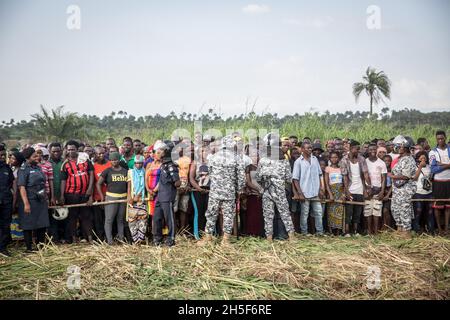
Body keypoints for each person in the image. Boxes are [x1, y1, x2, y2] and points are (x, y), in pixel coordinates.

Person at [197, 135, 245, 246]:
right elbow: (241, 178)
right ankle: (226, 240)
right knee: (228, 215)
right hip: (229, 192)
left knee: (211, 213)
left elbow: (210, 173)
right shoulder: (237, 158)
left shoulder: (213, 157)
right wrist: (237, 191)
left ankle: (208, 238)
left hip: (215, 191)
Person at [256, 133, 295, 241]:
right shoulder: (284, 161)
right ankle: (291, 237)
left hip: (267, 191)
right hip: (279, 191)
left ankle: (269, 238)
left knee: (268, 215)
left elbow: (258, 178)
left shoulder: (262, 161)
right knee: (285, 214)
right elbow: (288, 179)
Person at [60, 140, 94, 243]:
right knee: (72, 217)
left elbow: (91, 175)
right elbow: (63, 180)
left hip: (84, 193)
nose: (71, 151)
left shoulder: (85, 160)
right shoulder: (65, 164)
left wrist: (89, 190)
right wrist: (62, 195)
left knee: (86, 216)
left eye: (73, 149)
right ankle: (74, 238)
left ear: (77, 149)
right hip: (71, 194)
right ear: (66, 150)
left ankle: (89, 238)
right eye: (69, 149)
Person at [17, 147, 50, 252]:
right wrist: (26, 203)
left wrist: (46, 197)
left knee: (42, 223)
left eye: (38, 155)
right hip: (29, 200)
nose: (38, 157)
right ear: (27, 158)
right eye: (34, 156)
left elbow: (43, 183)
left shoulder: (38, 168)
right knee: (28, 225)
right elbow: (22, 187)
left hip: (40, 200)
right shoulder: (23, 170)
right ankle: (29, 248)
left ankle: (41, 247)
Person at [292, 141, 326, 236]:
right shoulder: (298, 162)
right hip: (305, 192)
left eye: (310, 148)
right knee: (304, 214)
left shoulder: (315, 159)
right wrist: (300, 193)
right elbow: (295, 179)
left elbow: (320, 175)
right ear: (302, 149)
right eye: (307, 148)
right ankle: (304, 232)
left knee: (318, 213)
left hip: (315, 191)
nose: (310, 149)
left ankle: (320, 232)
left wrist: (321, 189)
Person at [152, 141, 181, 246]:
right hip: (160, 196)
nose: (156, 154)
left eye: (158, 152)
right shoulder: (163, 165)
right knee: (157, 218)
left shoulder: (171, 165)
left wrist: (175, 181)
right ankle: (157, 239)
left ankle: (171, 239)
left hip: (168, 196)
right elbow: (161, 181)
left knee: (169, 219)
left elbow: (177, 183)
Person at [96, 152, 128, 245]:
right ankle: (110, 241)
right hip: (111, 198)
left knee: (120, 219)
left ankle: (121, 239)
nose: (114, 161)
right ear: (110, 161)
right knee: (109, 220)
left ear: (119, 160)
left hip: (123, 197)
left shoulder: (125, 171)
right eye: (112, 160)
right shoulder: (107, 171)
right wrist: (102, 197)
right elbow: (98, 183)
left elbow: (129, 185)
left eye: (116, 160)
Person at [340, 140, 370, 236]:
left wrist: (367, 188)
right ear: (351, 148)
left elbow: (365, 173)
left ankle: (356, 231)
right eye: (356, 148)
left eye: (359, 149)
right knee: (349, 211)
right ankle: (347, 231)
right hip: (350, 189)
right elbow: (344, 177)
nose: (358, 150)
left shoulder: (362, 159)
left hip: (360, 189)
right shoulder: (344, 160)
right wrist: (347, 191)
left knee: (358, 211)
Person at [390, 136, 417, 234]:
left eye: (398, 146)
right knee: (396, 210)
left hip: (405, 191)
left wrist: (391, 176)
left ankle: (407, 233)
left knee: (404, 211)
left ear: (404, 147)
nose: (396, 148)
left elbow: (406, 177)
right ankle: (399, 230)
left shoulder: (408, 159)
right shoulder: (400, 159)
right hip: (397, 191)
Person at [429, 130, 450, 235]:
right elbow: (433, 169)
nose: (440, 140)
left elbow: (437, 166)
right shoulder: (433, 152)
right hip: (438, 182)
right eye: (438, 139)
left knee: (448, 206)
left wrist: (441, 164)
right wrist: (448, 165)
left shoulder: (449, 149)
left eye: (442, 138)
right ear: (436, 139)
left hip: (449, 181)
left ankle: (446, 228)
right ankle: (440, 229)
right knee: (437, 206)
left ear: (445, 137)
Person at [47, 142, 69, 243]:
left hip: (64, 194)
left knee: (65, 217)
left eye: (58, 151)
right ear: (49, 152)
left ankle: (65, 238)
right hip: (51, 195)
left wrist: (62, 195)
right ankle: (54, 239)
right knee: (53, 218)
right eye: (53, 151)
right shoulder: (46, 164)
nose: (56, 153)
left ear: (61, 151)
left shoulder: (65, 163)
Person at [364, 144, 387, 235]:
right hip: (368, 190)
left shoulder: (381, 163)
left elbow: (384, 178)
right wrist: (365, 190)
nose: (372, 151)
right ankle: (369, 231)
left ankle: (376, 231)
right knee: (368, 211)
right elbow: (363, 177)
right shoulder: (365, 162)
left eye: (374, 149)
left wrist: (382, 191)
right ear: (368, 151)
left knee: (377, 212)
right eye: (370, 149)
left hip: (378, 190)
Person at [189, 146, 210, 239]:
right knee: (199, 212)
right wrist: (199, 188)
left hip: (209, 191)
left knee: (209, 212)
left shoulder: (211, 163)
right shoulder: (195, 163)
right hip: (197, 191)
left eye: (205, 151)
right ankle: (197, 235)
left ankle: (209, 234)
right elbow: (191, 178)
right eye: (202, 151)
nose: (204, 153)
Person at [412, 151, 435, 234]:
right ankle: (416, 230)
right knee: (418, 212)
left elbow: (431, 178)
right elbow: (414, 178)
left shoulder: (429, 167)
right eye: (421, 158)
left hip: (429, 193)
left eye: (424, 158)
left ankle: (431, 230)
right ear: (417, 159)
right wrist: (420, 167)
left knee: (430, 212)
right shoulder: (414, 167)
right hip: (418, 193)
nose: (423, 160)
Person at [127, 154, 148, 243]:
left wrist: (138, 196)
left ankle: (141, 240)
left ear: (143, 163)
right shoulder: (130, 172)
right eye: (136, 163)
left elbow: (145, 185)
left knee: (142, 220)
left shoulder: (145, 171)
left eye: (140, 163)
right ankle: (135, 240)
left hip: (142, 200)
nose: (138, 165)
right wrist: (129, 197)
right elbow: (129, 185)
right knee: (132, 221)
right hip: (132, 199)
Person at [243, 147, 264, 237]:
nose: (255, 157)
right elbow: (248, 182)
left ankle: (260, 233)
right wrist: (258, 190)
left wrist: (262, 190)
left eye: (257, 155)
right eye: (253, 155)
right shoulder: (248, 167)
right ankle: (251, 233)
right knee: (252, 215)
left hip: (262, 194)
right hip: (252, 193)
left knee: (261, 214)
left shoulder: (262, 166)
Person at [92, 146, 111, 241]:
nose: (101, 155)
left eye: (103, 153)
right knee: (98, 219)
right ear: (95, 155)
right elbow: (92, 183)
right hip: (97, 197)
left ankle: (109, 237)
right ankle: (100, 238)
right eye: (99, 154)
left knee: (108, 219)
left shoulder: (110, 164)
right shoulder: (93, 166)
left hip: (109, 196)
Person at [324, 151, 345, 235]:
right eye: (332, 157)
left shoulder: (341, 169)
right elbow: (326, 183)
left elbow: (344, 183)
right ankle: (331, 231)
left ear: (338, 158)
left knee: (340, 211)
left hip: (340, 191)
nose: (334, 159)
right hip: (332, 191)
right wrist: (330, 194)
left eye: (336, 157)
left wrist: (343, 194)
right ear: (330, 159)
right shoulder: (327, 169)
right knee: (331, 211)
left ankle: (338, 231)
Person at [174, 143, 191, 233]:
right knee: (174, 209)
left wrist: (188, 185)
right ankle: (175, 230)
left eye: (181, 148)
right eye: (178, 149)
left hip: (186, 187)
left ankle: (182, 230)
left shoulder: (188, 160)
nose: (179, 150)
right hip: (175, 187)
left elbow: (190, 173)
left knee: (183, 209)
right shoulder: (173, 160)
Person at [0, 145, 14, 256]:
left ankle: (3, 248)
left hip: (6, 202)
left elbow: (10, 184)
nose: (3, 157)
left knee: (5, 224)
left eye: (4, 155)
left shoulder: (7, 168)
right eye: (1, 155)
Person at [382, 155, 394, 230]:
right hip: (381, 192)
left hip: (389, 192)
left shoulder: (392, 171)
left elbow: (393, 185)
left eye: (389, 161)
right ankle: (383, 226)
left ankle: (389, 227)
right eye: (385, 161)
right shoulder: (380, 170)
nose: (387, 162)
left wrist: (388, 194)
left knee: (386, 210)